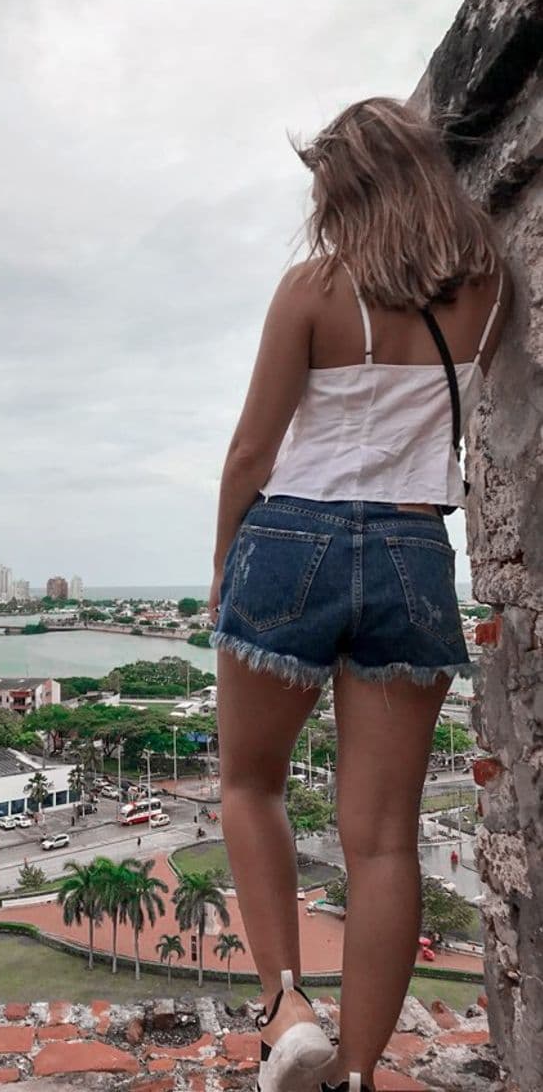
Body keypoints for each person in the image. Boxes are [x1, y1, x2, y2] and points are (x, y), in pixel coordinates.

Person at [208, 97, 512, 1092]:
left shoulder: (310, 288)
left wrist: (222, 567)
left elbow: (251, 451)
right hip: (410, 547)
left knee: (249, 782)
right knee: (381, 839)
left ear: (338, 189)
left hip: (288, 535)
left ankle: (285, 1006)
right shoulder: (488, 288)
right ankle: (359, 1072)